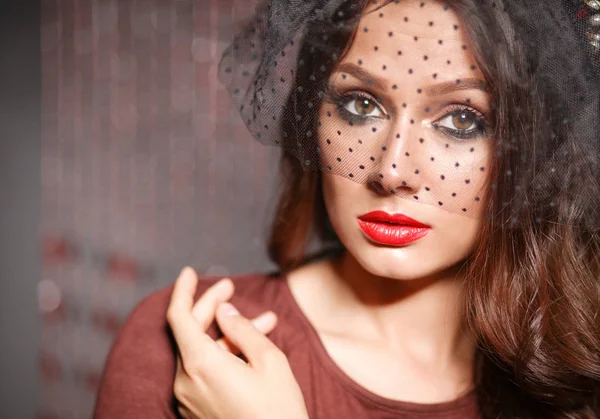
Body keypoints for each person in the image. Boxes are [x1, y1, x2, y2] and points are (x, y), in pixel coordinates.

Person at [94, 0, 600, 418]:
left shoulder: (579, 373)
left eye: (462, 120)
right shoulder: (194, 351)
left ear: (535, 151)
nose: (392, 169)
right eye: (361, 105)